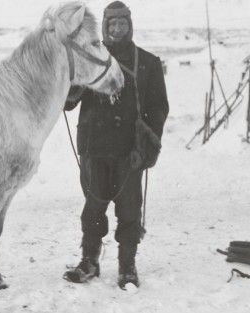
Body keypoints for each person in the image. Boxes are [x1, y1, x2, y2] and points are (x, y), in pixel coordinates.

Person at [62, 1, 169, 289]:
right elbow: (68, 103)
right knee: (93, 208)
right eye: (112, 24)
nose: (118, 29)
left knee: (130, 210)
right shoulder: (92, 60)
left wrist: (147, 144)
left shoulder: (147, 63)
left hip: (129, 152)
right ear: (105, 28)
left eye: (122, 23)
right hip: (94, 148)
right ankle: (89, 262)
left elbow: (158, 109)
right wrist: (74, 82)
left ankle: (127, 267)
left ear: (130, 25)